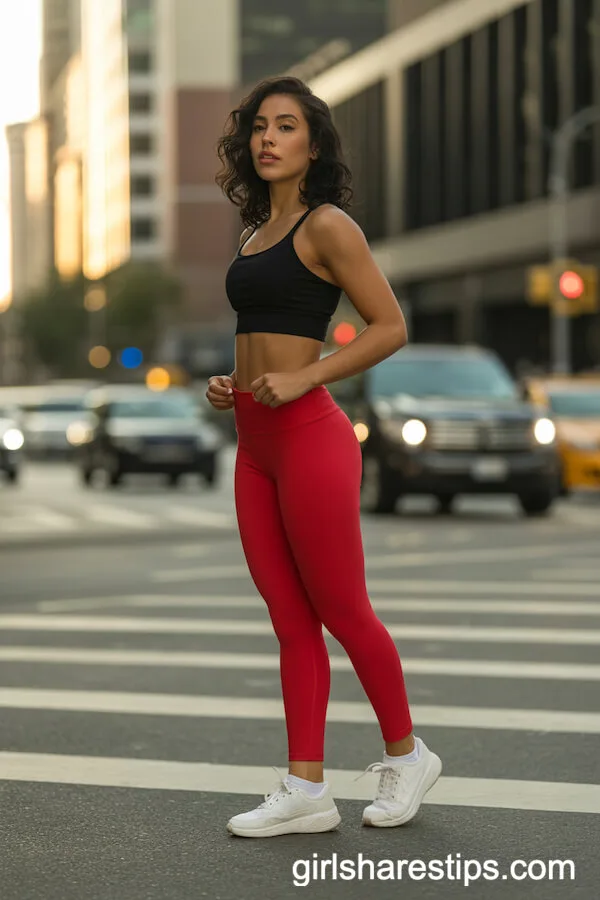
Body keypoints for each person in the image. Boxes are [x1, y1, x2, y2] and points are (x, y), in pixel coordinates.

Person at [207, 76, 442, 838]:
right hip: (254, 444)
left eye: (286, 126)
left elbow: (388, 325)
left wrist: (306, 374)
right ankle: (305, 787)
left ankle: (408, 756)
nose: (268, 139)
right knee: (289, 619)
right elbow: (264, 330)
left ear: (313, 143)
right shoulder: (251, 233)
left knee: (342, 608)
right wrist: (231, 382)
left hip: (310, 436)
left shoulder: (327, 224)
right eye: (259, 127)